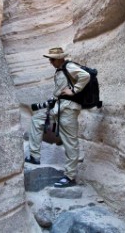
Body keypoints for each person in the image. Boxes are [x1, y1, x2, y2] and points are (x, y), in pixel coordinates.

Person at [25, 47, 90, 188]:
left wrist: (74, 90)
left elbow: (85, 76)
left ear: (60, 58)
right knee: (36, 120)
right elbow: (59, 91)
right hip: (57, 109)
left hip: (68, 110)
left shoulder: (70, 66)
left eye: (52, 59)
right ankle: (34, 156)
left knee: (70, 143)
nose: (50, 62)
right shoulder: (60, 70)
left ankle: (70, 176)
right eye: (50, 59)